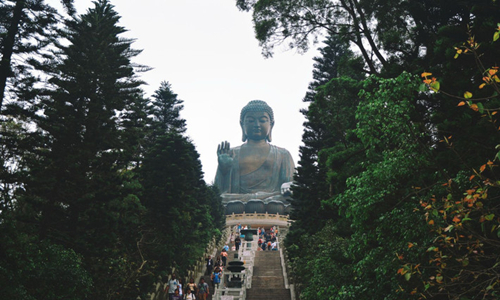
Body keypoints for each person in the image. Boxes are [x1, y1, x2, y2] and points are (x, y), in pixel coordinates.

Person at [215, 100, 295, 197]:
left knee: (286, 200)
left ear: (271, 125)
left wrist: (288, 185)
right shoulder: (231, 153)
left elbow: (292, 185)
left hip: (273, 199)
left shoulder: (282, 154)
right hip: (237, 200)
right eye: (250, 121)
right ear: (242, 124)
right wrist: (223, 169)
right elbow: (216, 192)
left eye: (262, 120)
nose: (257, 125)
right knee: (222, 199)